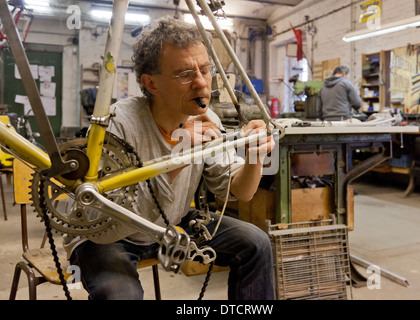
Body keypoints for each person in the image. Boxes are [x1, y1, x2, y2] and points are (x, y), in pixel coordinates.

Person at [65, 16, 275, 300]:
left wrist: (254, 156)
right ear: (151, 84)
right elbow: (102, 217)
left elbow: (241, 192)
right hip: (109, 235)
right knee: (121, 296)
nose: (202, 85)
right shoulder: (118, 122)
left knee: (256, 243)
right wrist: (181, 156)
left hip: (169, 223)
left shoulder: (204, 118)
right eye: (185, 74)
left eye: (205, 69)